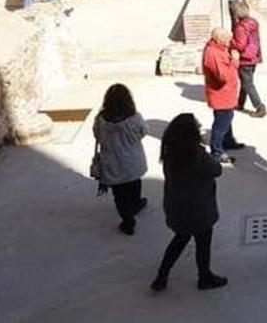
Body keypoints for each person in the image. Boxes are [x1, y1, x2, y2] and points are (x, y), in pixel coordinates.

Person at [151, 114, 227, 292]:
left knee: (179, 239)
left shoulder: (170, 153)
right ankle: (204, 276)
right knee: (203, 242)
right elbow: (217, 170)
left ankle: (162, 274)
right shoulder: (197, 156)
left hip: (177, 208)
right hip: (199, 210)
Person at [92, 84, 148, 235]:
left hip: (112, 164)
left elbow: (97, 135)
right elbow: (144, 132)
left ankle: (128, 221)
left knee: (120, 196)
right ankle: (135, 204)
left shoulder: (101, 119)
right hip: (133, 162)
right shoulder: (135, 118)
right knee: (135, 184)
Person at [202, 27, 244, 163]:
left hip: (226, 95)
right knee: (221, 124)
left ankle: (228, 141)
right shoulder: (213, 53)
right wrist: (234, 61)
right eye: (227, 39)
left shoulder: (218, 49)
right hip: (221, 95)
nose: (230, 41)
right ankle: (217, 151)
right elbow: (224, 76)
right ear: (219, 40)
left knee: (227, 119)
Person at [230, 1, 266, 118]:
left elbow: (240, 45)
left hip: (245, 59)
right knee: (246, 82)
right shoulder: (253, 22)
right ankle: (240, 104)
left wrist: (231, 41)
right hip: (254, 57)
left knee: (248, 83)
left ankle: (260, 107)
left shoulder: (240, 27)